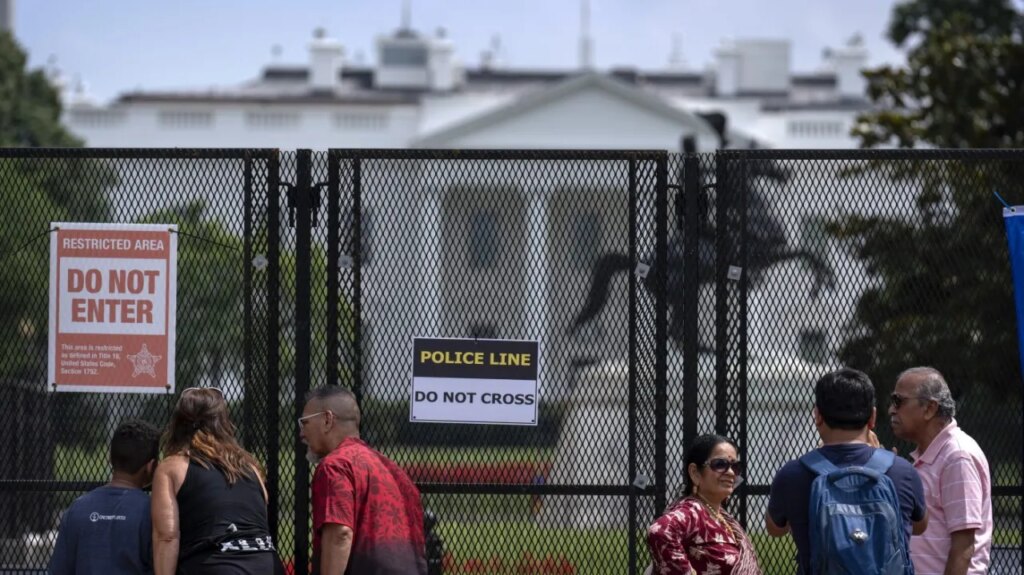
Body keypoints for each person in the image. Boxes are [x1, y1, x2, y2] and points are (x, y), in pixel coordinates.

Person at [766, 367, 927, 574]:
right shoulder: (901, 471)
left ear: (818, 416)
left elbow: (775, 529)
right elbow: (920, 526)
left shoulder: (793, 474)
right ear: (872, 418)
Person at [151, 387, 284, 575]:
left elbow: (167, 536)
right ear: (223, 422)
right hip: (266, 564)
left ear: (179, 423)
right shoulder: (250, 466)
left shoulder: (171, 467)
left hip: (214, 564)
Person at [299, 386, 427, 575]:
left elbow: (340, 534)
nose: (302, 433)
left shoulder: (335, 466)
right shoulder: (394, 470)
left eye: (305, 423)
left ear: (327, 420)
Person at [889, 367, 992, 575]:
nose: (891, 409)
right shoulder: (929, 456)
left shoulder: (957, 457)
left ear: (929, 408)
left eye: (899, 401)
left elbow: (963, 547)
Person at [49, 419, 161, 575]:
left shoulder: (77, 508)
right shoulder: (152, 512)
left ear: (110, 458)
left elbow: (59, 570)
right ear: (151, 466)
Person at [646, 433, 762, 575]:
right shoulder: (692, 512)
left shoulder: (724, 519)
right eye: (720, 464)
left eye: (735, 466)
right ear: (695, 473)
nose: (731, 473)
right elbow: (659, 531)